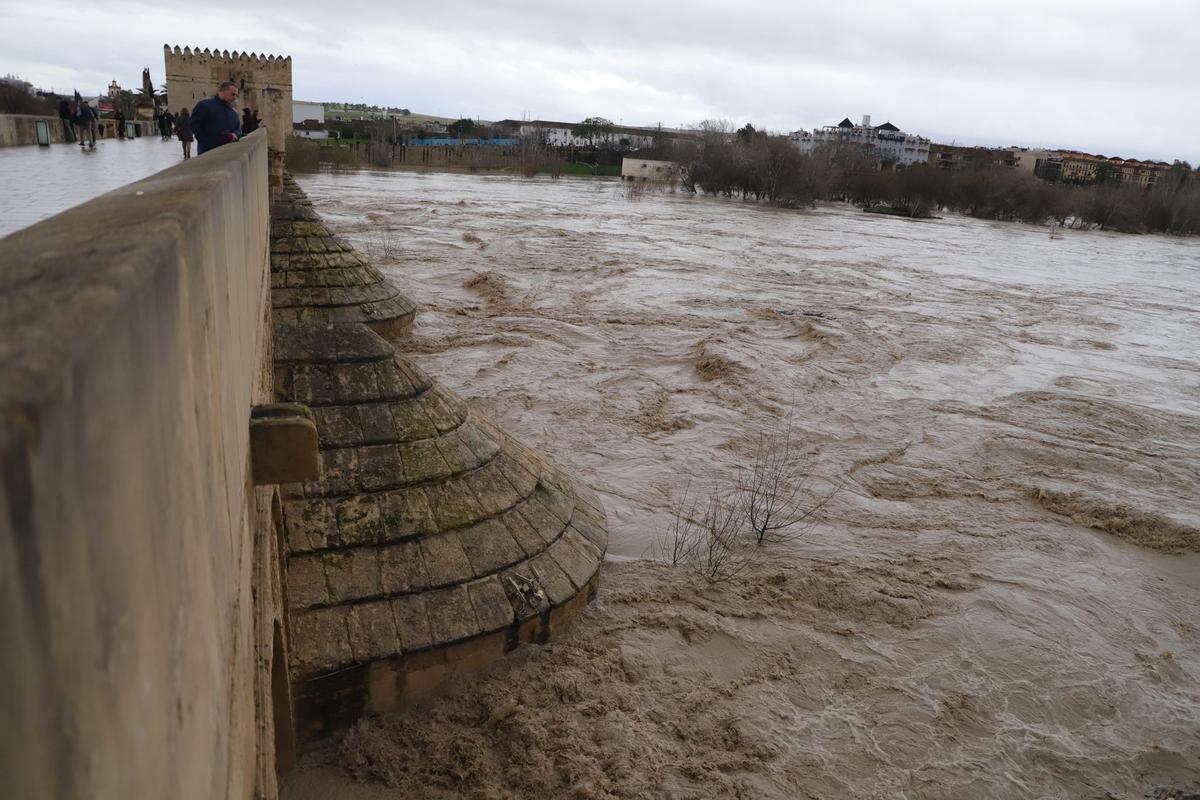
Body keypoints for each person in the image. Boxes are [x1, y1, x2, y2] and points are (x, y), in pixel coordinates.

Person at [190, 80, 241, 155]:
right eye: (233, 94)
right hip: (208, 154)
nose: (235, 98)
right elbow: (194, 125)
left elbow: (239, 130)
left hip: (229, 154)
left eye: (236, 95)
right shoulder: (204, 105)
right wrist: (208, 142)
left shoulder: (233, 113)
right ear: (222, 91)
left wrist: (234, 135)